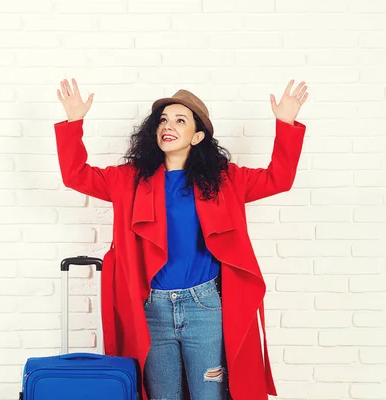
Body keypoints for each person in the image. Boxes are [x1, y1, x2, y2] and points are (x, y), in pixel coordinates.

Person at [54, 78, 308, 400]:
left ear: (197, 136)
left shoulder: (226, 180)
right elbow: (76, 175)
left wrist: (285, 123)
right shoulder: (129, 180)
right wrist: (74, 121)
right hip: (153, 310)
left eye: (180, 120)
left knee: (208, 396)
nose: (168, 126)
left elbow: (278, 179)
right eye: (163, 120)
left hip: (204, 307)